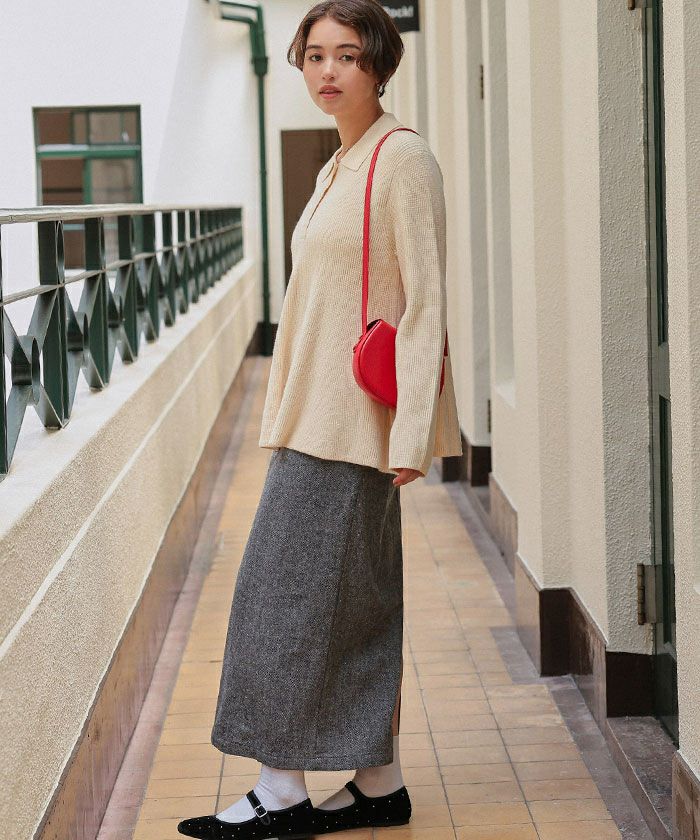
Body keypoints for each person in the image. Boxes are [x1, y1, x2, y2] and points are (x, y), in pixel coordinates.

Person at [178, 1, 462, 837]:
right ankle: (379, 782)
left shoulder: (402, 160)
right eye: (314, 55)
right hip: (315, 418)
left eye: (347, 54)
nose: (328, 70)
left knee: (281, 602)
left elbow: (425, 305)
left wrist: (413, 433)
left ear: (380, 65)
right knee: (356, 604)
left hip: (351, 428)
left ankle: (281, 789)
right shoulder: (339, 165)